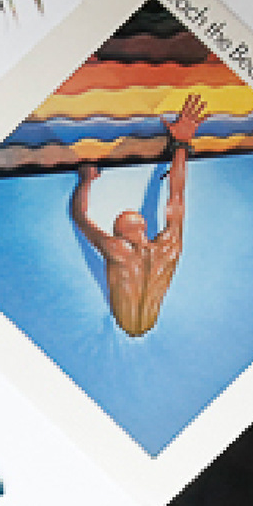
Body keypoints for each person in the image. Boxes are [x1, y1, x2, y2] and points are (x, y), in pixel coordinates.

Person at [68, 91, 202, 334]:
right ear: (143, 228)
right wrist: (181, 143)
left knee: (137, 325)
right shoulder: (166, 247)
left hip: (140, 323)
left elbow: (79, 216)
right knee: (137, 324)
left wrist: (86, 180)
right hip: (138, 321)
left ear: (119, 233)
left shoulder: (121, 249)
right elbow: (177, 196)